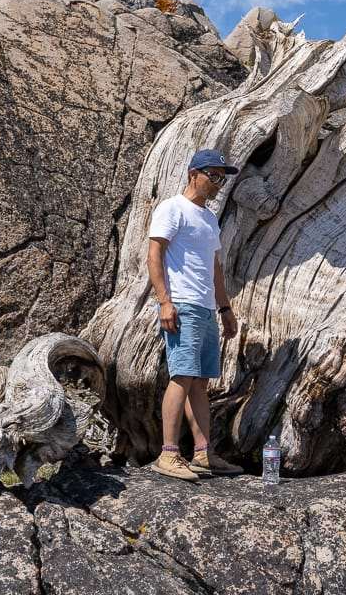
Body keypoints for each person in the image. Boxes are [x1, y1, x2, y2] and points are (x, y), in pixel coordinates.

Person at [147, 149, 242, 481]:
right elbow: (154, 253)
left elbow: (214, 267)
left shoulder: (209, 218)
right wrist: (164, 302)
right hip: (182, 304)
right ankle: (168, 454)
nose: (217, 183)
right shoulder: (173, 208)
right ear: (193, 174)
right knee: (182, 376)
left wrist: (225, 308)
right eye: (212, 176)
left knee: (200, 382)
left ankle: (203, 453)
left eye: (221, 177)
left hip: (205, 309)